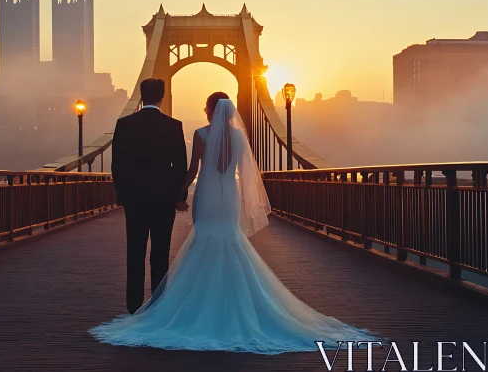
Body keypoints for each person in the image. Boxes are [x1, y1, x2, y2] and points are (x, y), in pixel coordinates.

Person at [91, 93, 375, 354]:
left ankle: (193, 306)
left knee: (204, 240)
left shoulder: (201, 135)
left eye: (206, 107)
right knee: (231, 240)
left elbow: (191, 171)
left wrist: (179, 194)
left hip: (208, 194)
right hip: (230, 198)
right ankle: (237, 304)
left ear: (213, 110)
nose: (204, 110)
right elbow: (245, 172)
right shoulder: (240, 137)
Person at [110, 78, 188, 314]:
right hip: (163, 199)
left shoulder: (124, 124)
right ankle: (157, 305)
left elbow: (117, 165)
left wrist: (122, 195)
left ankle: (133, 306)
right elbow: (180, 165)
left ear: (141, 96)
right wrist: (177, 196)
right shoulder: (174, 126)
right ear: (163, 96)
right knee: (160, 252)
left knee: (134, 251)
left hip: (135, 199)